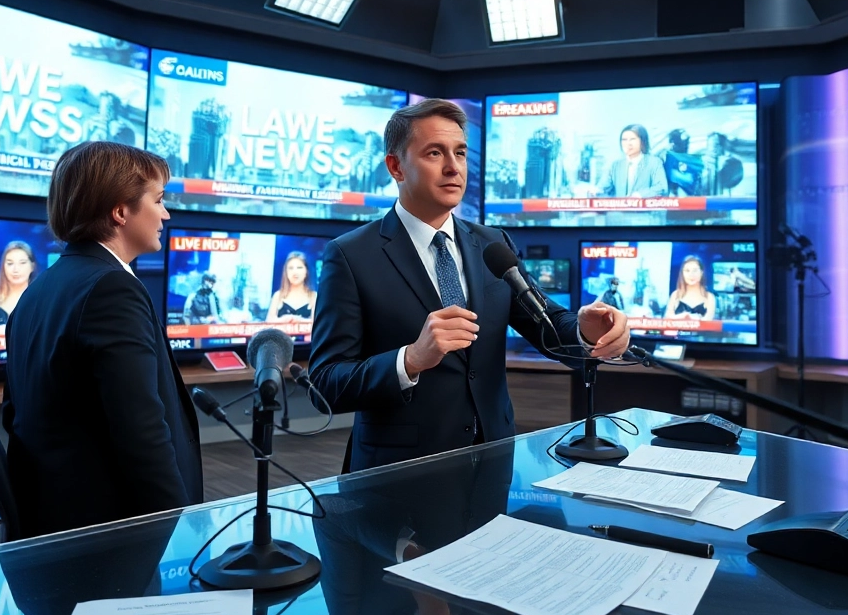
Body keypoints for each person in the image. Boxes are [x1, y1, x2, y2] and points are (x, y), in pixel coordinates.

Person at [309, 98, 631, 473]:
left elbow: (548, 325)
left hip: (493, 461)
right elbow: (325, 383)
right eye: (434, 153)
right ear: (396, 167)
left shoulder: (493, 244)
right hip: (398, 472)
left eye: (460, 153)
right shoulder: (350, 255)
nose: (453, 167)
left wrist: (586, 331)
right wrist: (410, 359)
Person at [2, 141, 202, 538]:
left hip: (56, 524)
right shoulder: (112, 289)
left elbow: (14, 414)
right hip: (112, 537)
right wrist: (176, 532)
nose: (166, 213)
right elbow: (142, 433)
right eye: (158, 200)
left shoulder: (40, 289)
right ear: (120, 212)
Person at [599, 124, 666, 198]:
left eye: (632, 139)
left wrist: (640, 195)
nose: (628, 144)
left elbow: (661, 187)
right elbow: (603, 187)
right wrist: (596, 190)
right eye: (624, 140)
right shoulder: (616, 165)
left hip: (643, 205)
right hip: (620, 205)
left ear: (642, 142)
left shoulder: (654, 162)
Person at [265, 251, 317, 322]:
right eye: (291, 268)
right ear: (286, 272)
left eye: (299, 267)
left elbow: (318, 323)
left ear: (306, 271)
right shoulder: (278, 296)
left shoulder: (314, 297)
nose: (295, 272)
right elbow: (268, 323)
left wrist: (299, 320)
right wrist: (284, 320)